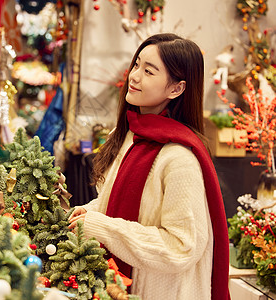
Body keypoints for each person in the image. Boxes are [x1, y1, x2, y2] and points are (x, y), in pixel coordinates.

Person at [68, 33, 230, 300]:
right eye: (136, 65)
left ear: (176, 89)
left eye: (149, 71)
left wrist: (102, 227)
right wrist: (85, 214)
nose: (134, 76)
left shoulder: (178, 158)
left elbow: (181, 246)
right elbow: (115, 201)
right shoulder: (128, 135)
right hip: (117, 286)